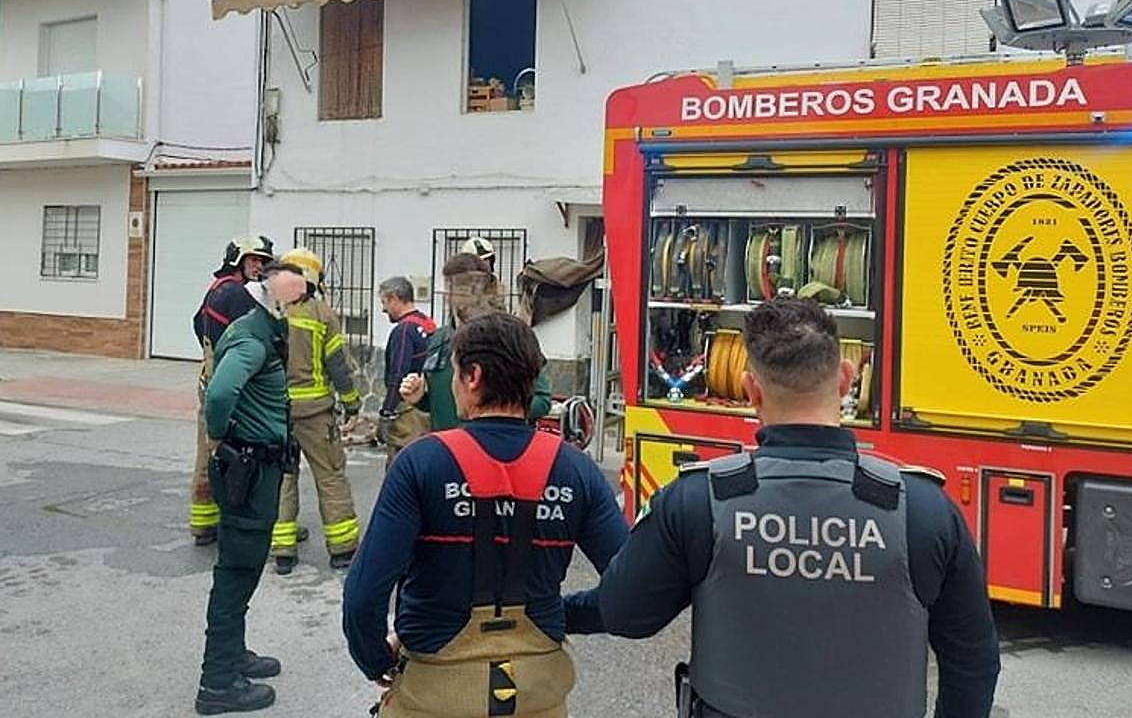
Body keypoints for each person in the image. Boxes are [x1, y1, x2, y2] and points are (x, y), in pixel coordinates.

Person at [576, 297, 1001, 718]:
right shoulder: (924, 510)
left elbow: (623, 613)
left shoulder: (697, 501)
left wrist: (555, 611)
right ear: (846, 379)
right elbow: (973, 660)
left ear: (751, 390)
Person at [342, 312, 629, 718]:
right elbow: (633, 591)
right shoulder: (576, 469)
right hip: (538, 695)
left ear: (473, 376)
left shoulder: (420, 463)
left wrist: (377, 662)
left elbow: (363, 597)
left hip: (434, 692)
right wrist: (557, 614)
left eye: (454, 373)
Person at [195, 263, 309, 715]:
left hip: (257, 467)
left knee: (242, 567)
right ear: (278, 304)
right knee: (236, 572)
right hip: (249, 470)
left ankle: (233, 654)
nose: (302, 310)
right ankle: (218, 682)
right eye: (297, 302)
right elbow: (221, 393)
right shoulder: (253, 339)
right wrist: (216, 436)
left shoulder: (262, 331)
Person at [269, 247, 364, 575]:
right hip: (315, 414)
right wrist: (352, 404)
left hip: (278, 414)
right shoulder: (322, 314)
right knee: (330, 476)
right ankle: (342, 549)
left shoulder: (272, 314)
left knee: (283, 478)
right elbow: (338, 366)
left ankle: (283, 551)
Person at [400, 253, 551, 431]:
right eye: (451, 286)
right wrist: (419, 398)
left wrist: (496, 410)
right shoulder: (438, 339)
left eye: (466, 286)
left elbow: (542, 401)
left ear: (483, 289)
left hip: (492, 443)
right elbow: (440, 403)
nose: (456, 294)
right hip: (447, 444)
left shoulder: (510, 337)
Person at [189, 235, 275, 546]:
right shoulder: (239, 295)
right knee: (245, 457)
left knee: (208, 453)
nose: (259, 266)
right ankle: (243, 525)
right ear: (237, 260)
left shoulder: (216, 289)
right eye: (253, 260)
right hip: (236, 388)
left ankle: (203, 524)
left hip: (210, 380)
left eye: (263, 261)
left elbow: (197, 323)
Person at [378, 276, 437, 465]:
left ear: (395, 298)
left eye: (384, 302)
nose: (383, 309)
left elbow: (398, 373)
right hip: (426, 405)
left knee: (401, 464)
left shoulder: (403, 331)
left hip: (408, 413)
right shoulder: (427, 324)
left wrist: (387, 411)